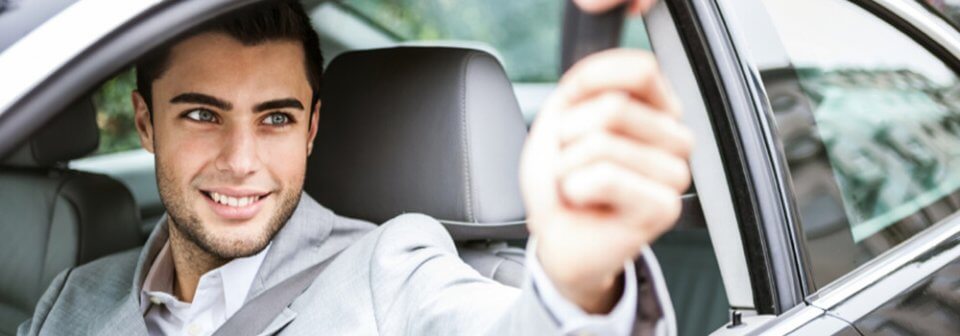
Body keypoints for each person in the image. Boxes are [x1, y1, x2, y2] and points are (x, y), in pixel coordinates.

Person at [18, 0, 692, 335]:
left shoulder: (391, 267)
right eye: (202, 115)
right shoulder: (71, 301)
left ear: (312, 129)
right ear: (144, 124)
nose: (241, 162)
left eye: (276, 119)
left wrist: (579, 280)